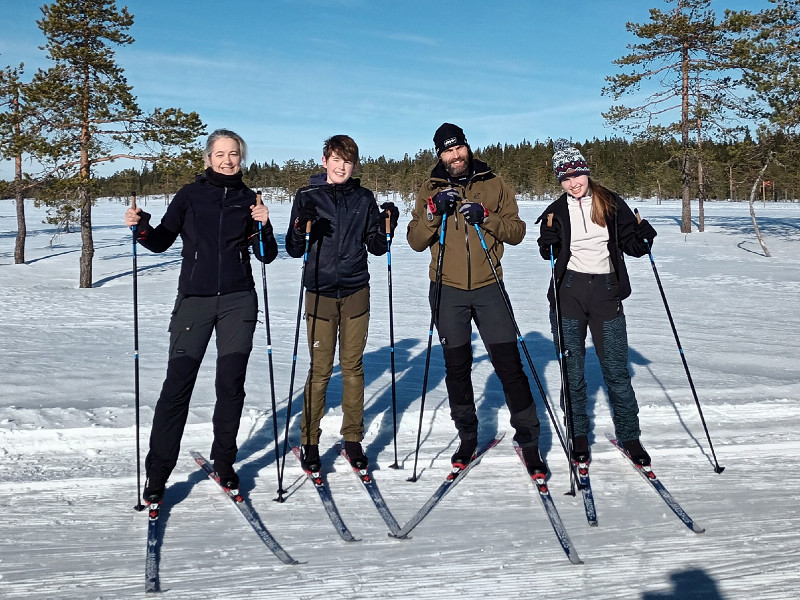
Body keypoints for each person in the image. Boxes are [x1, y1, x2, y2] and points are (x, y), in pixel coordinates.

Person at [125, 128, 278, 504]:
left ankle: (224, 463)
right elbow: (159, 241)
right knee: (177, 386)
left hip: (238, 301)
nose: (227, 160)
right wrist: (140, 226)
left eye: (234, 154)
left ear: (241, 158)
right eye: (220, 154)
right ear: (208, 158)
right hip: (195, 300)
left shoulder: (249, 199)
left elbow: (266, 254)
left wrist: (264, 223)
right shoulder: (190, 195)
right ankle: (158, 473)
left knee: (230, 386)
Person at [406, 123, 546, 476]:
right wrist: (433, 212)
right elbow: (415, 240)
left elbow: (517, 232)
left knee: (509, 365)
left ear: (467, 147)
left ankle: (529, 440)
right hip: (447, 289)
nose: (455, 156)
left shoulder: (493, 183)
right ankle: (468, 437)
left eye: (459, 148)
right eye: (447, 151)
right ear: (440, 155)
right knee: (457, 367)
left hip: (488, 287)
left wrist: (487, 218)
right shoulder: (430, 188)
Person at [536, 139, 657, 466]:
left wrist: (644, 238)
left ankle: (630, 436)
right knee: (572, 370)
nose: (573, 183)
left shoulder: (610, 203)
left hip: (606, 291)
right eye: (565, 178)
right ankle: (578, 435)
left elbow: (631, 245)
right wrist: (547, 244)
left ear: (586, 172)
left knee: (616, 369)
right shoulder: (556, 211)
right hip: (569, 293)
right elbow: (548, 251)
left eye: (577, 174)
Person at [285, 134, 397, 472]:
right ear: (324, 161)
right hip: (319, 292)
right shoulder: (307, 196)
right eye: (335, 159)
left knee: (352, 367)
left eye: (347, 161)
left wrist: (387, 224)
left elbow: (376, 246)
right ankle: (309, 441)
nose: (341, 166)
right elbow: (293, 248)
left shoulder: (363, 198)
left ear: (354, 165)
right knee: (320, 370)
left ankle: (353, 438)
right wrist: (301, 225)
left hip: (355, 291)